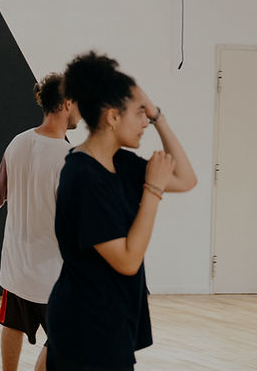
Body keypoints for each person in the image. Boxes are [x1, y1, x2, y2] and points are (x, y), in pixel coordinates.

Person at [46, 51, 196, 370]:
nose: (145, 122)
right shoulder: (83, 176)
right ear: (113, 117)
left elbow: (186, 179)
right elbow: (127, 260)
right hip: (86, 323)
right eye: (140, 113)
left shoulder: (120, 163)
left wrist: (158, 116)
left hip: (110, 315)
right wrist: (152, 190)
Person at [0, 73, 80, 371]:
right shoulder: (68, 157)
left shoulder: (18, 142)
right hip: (54, 276)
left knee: (13, 324)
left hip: (16, 268)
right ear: (66, 104)